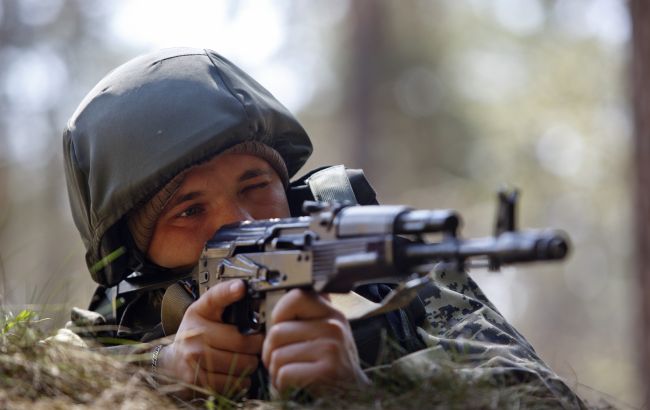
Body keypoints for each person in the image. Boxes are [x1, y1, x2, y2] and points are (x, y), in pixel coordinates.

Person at [63, 47, 584, 406]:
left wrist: (367, 391)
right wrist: (161, 370)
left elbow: (543, 399)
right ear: (135, 254)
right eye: (189, 210)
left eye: (254, 185)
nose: (240, 221)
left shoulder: (392, 279)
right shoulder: (105, 337)